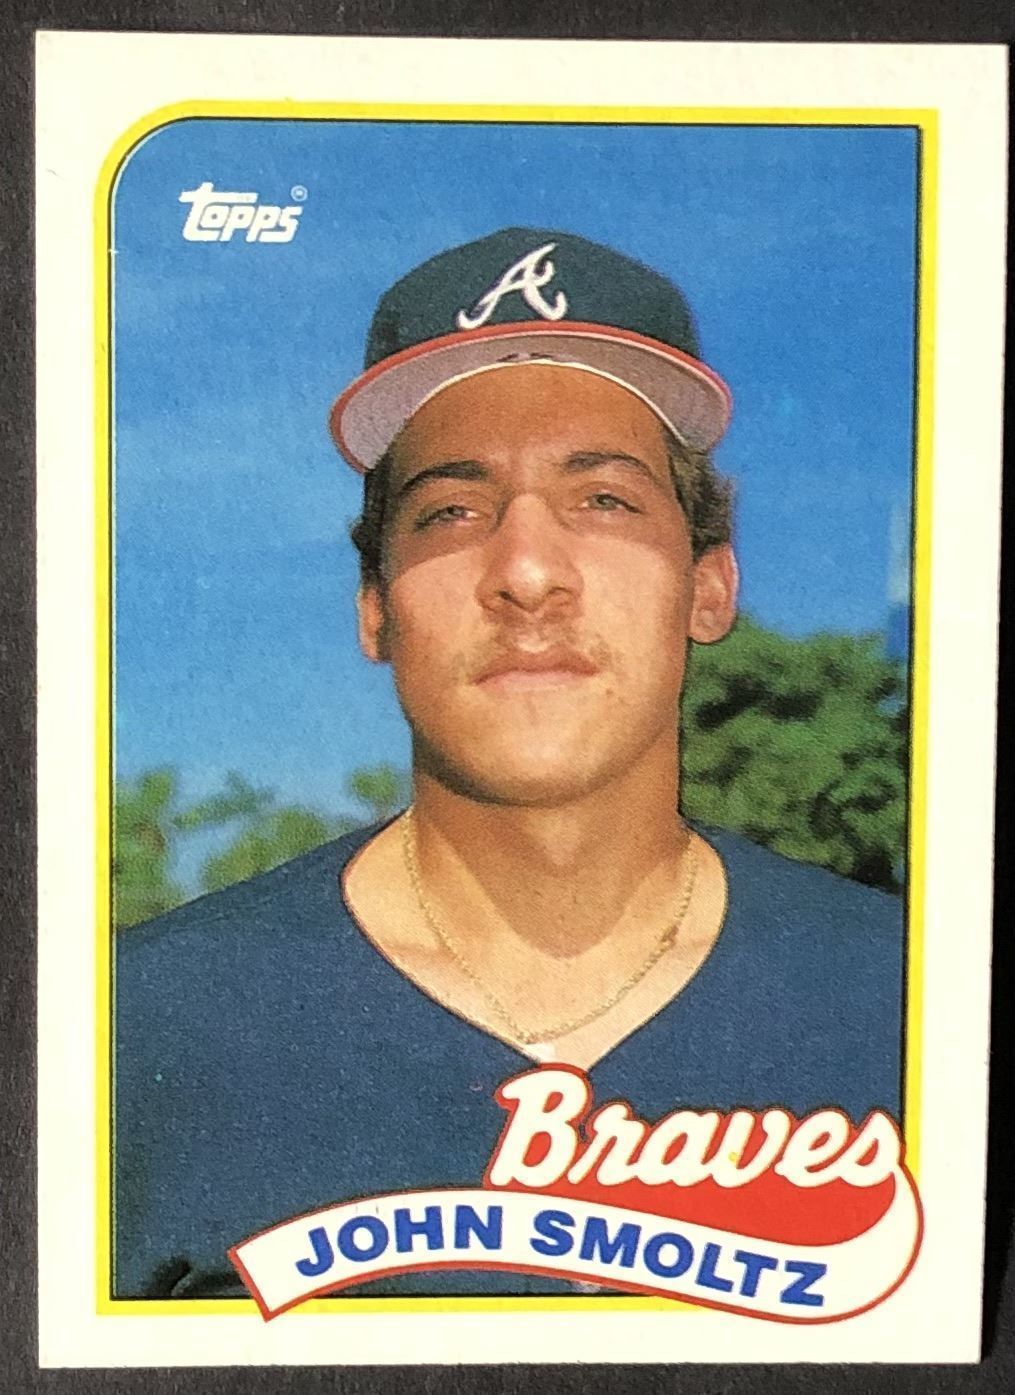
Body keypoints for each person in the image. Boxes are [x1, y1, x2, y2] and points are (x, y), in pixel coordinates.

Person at [114, 228, 904, 1299]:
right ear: (376, 608)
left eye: (604, 498)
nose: (527, 572)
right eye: (452, 510)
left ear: (708, 586)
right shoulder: (132, 1030)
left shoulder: (913, 1003)